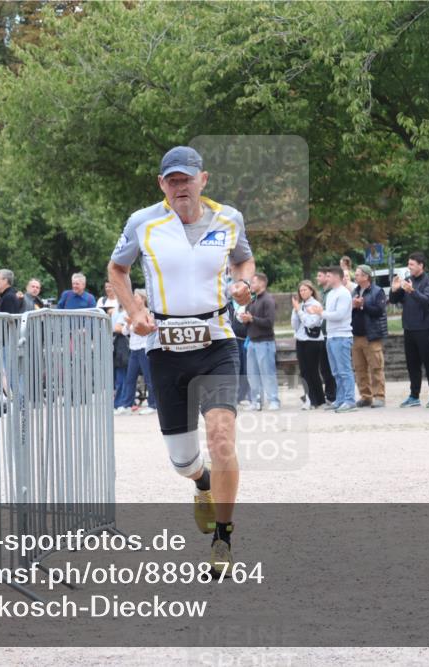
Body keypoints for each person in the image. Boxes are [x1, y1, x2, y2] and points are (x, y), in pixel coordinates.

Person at [107, 145, 255, 572]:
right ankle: (201, 482)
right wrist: (135, 313)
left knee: (222, 438)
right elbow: (117, 270)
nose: (180, 187)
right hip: (165, 349)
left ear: (202, 180)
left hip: (216, 341)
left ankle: (223, 539)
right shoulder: (143, 222)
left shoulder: (229, 218)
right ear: (162, 185)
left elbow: (244, 261)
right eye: (172, 181)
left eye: (186, 179)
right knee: (183, 462)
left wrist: (244, 285)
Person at [388, 252, 429, 407]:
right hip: (409, 328)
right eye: (408, 264)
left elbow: (428, 301)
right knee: (412, 364)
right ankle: (414, 396)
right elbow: (393, 300)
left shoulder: (428, 281)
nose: (409, 267)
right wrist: (394, 288)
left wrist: (412, 291)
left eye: (411, 264)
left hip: (425, 328)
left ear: (420, 265)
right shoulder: (407, 280)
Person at [307, 266, 356, 412]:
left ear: (336, 277)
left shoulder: (344, 293)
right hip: (331, 336)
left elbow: (339, 315)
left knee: (344, 370)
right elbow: (329, 314)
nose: (325, 279)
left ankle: (349, 400)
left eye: (328, 276)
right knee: (335, 371)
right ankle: (340, 399)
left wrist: (321, 313)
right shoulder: (331, 294)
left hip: (342, 336)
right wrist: (320, 313)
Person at [238, 272, 279, 411]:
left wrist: (252, 319)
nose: (251, 286)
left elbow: (269, 322)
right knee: (253, 374)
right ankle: (256, 402)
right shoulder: (252, 301)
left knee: (267, 373)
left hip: (265, 342)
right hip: (252, 342)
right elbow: (250, 321)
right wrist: (245, 320)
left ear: (262, 283)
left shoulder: (268, 300)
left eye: (254, 282)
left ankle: (274, 400)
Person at [115, 289, 157, 416]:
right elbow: (123, 332)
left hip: (145, 349)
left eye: (136, 296)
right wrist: (128, 325)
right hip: (133, 349)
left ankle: (153, 405)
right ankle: (127, 404)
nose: (134, 299)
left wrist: (131, 325)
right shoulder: (131, 313)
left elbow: (148, 329)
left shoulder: (149, 313)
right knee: (130, 378)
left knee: (148, 378)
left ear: (143, 299)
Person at [351, 264, 387, 408]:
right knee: (360, 369)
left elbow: (379, 311)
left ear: (366, 276)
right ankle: (365, 396)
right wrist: (353, 306)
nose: (356, 276)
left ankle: (379, 396)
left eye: (358, 274)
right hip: (356, 336)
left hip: (371, 336)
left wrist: (362, 305)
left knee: (376, 368)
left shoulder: (378, 291)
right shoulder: (354, 291)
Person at [290, 279, 326, 409]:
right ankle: (309, 398)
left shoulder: (316, 305)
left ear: (311, 290)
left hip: (313, 341)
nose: (302, 292)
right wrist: (295, 312)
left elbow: (311, 323)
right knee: (304, 372)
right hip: (301, 340)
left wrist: (300, 311)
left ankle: (319, 399)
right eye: (300, 290)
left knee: (313, 371)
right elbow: (294, 325)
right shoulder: (299, 305)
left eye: (305, 289)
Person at [314, 268, 338, 405]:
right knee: (325, 368)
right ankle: (330, 395)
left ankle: (333, 395)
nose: (318, 278)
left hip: (332, 334)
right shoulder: (323, 293)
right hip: (323, 335)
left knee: (332, 368)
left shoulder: (332, 294)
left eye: (320, 275)